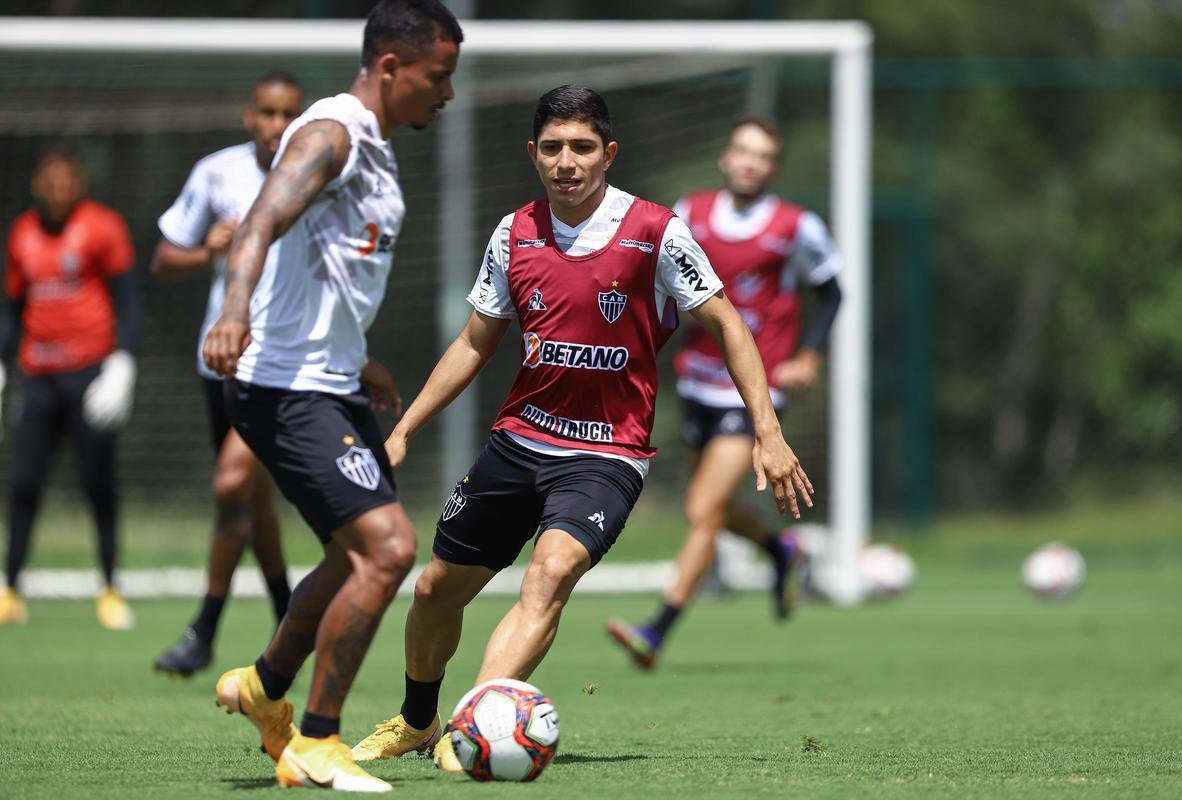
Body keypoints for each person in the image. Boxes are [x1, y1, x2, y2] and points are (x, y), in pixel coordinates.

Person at [349, 85, 814, 773]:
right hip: (518, 441)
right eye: (553, 148)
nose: (567, 161)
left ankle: (472, 727)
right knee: (433, 590)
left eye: (583, 147)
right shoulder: (515, 232)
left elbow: (729, 326)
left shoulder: (656, 231)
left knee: (551, 571)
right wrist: (406, 428)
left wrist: (768, 433)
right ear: (533, 154)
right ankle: (418, 720)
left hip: (607, 454)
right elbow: (476, 342)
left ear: (609, 153)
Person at [201, 0, 461, 791]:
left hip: (332, 379)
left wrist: (360, 359)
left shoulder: (374, 147)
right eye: (437, 76)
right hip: (284, 389)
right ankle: (317, 741)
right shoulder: (332, 133)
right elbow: (255, 225)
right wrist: (235, 311)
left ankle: (263, 688)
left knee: (354, 557)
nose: (445, 94)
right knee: (388, 550)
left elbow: (328, 272)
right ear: (390, 66)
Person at [606, 116, 843, 670]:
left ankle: (657, 630)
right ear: (726, 158)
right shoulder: (690, 214)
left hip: (752, 392)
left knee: (703, 510)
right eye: (741, 150)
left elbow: (832, 292)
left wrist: (808, 356)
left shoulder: (795, 226)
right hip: (697, 384)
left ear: (773, 168)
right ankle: (781, 549)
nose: (748, 162)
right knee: (717, 509)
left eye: (761, 155)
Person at [150, 69, 304, 679]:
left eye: (288, 114)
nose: (277, 126)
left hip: (280, 360)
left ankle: (203, 629)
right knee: (252, 497)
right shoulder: (218, 172)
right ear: (250, 117)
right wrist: (207, 249)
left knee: (230, 483)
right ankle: (290, 614)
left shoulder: (315, 175)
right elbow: (163, 257)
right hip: (220, 358)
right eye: (267, 113)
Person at [0, 147, 141, 630]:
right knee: (23, 485)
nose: (58, 191)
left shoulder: (103, 227)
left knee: (99, 484)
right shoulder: (21, 234)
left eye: (67, 182)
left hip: (89, 375)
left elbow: (128, 300)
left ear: (78, 183)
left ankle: (109, 588)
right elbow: (13, 309)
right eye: (50, 182)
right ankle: (11, 588)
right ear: (39, 184)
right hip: (37, 377)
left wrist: (122, 362)